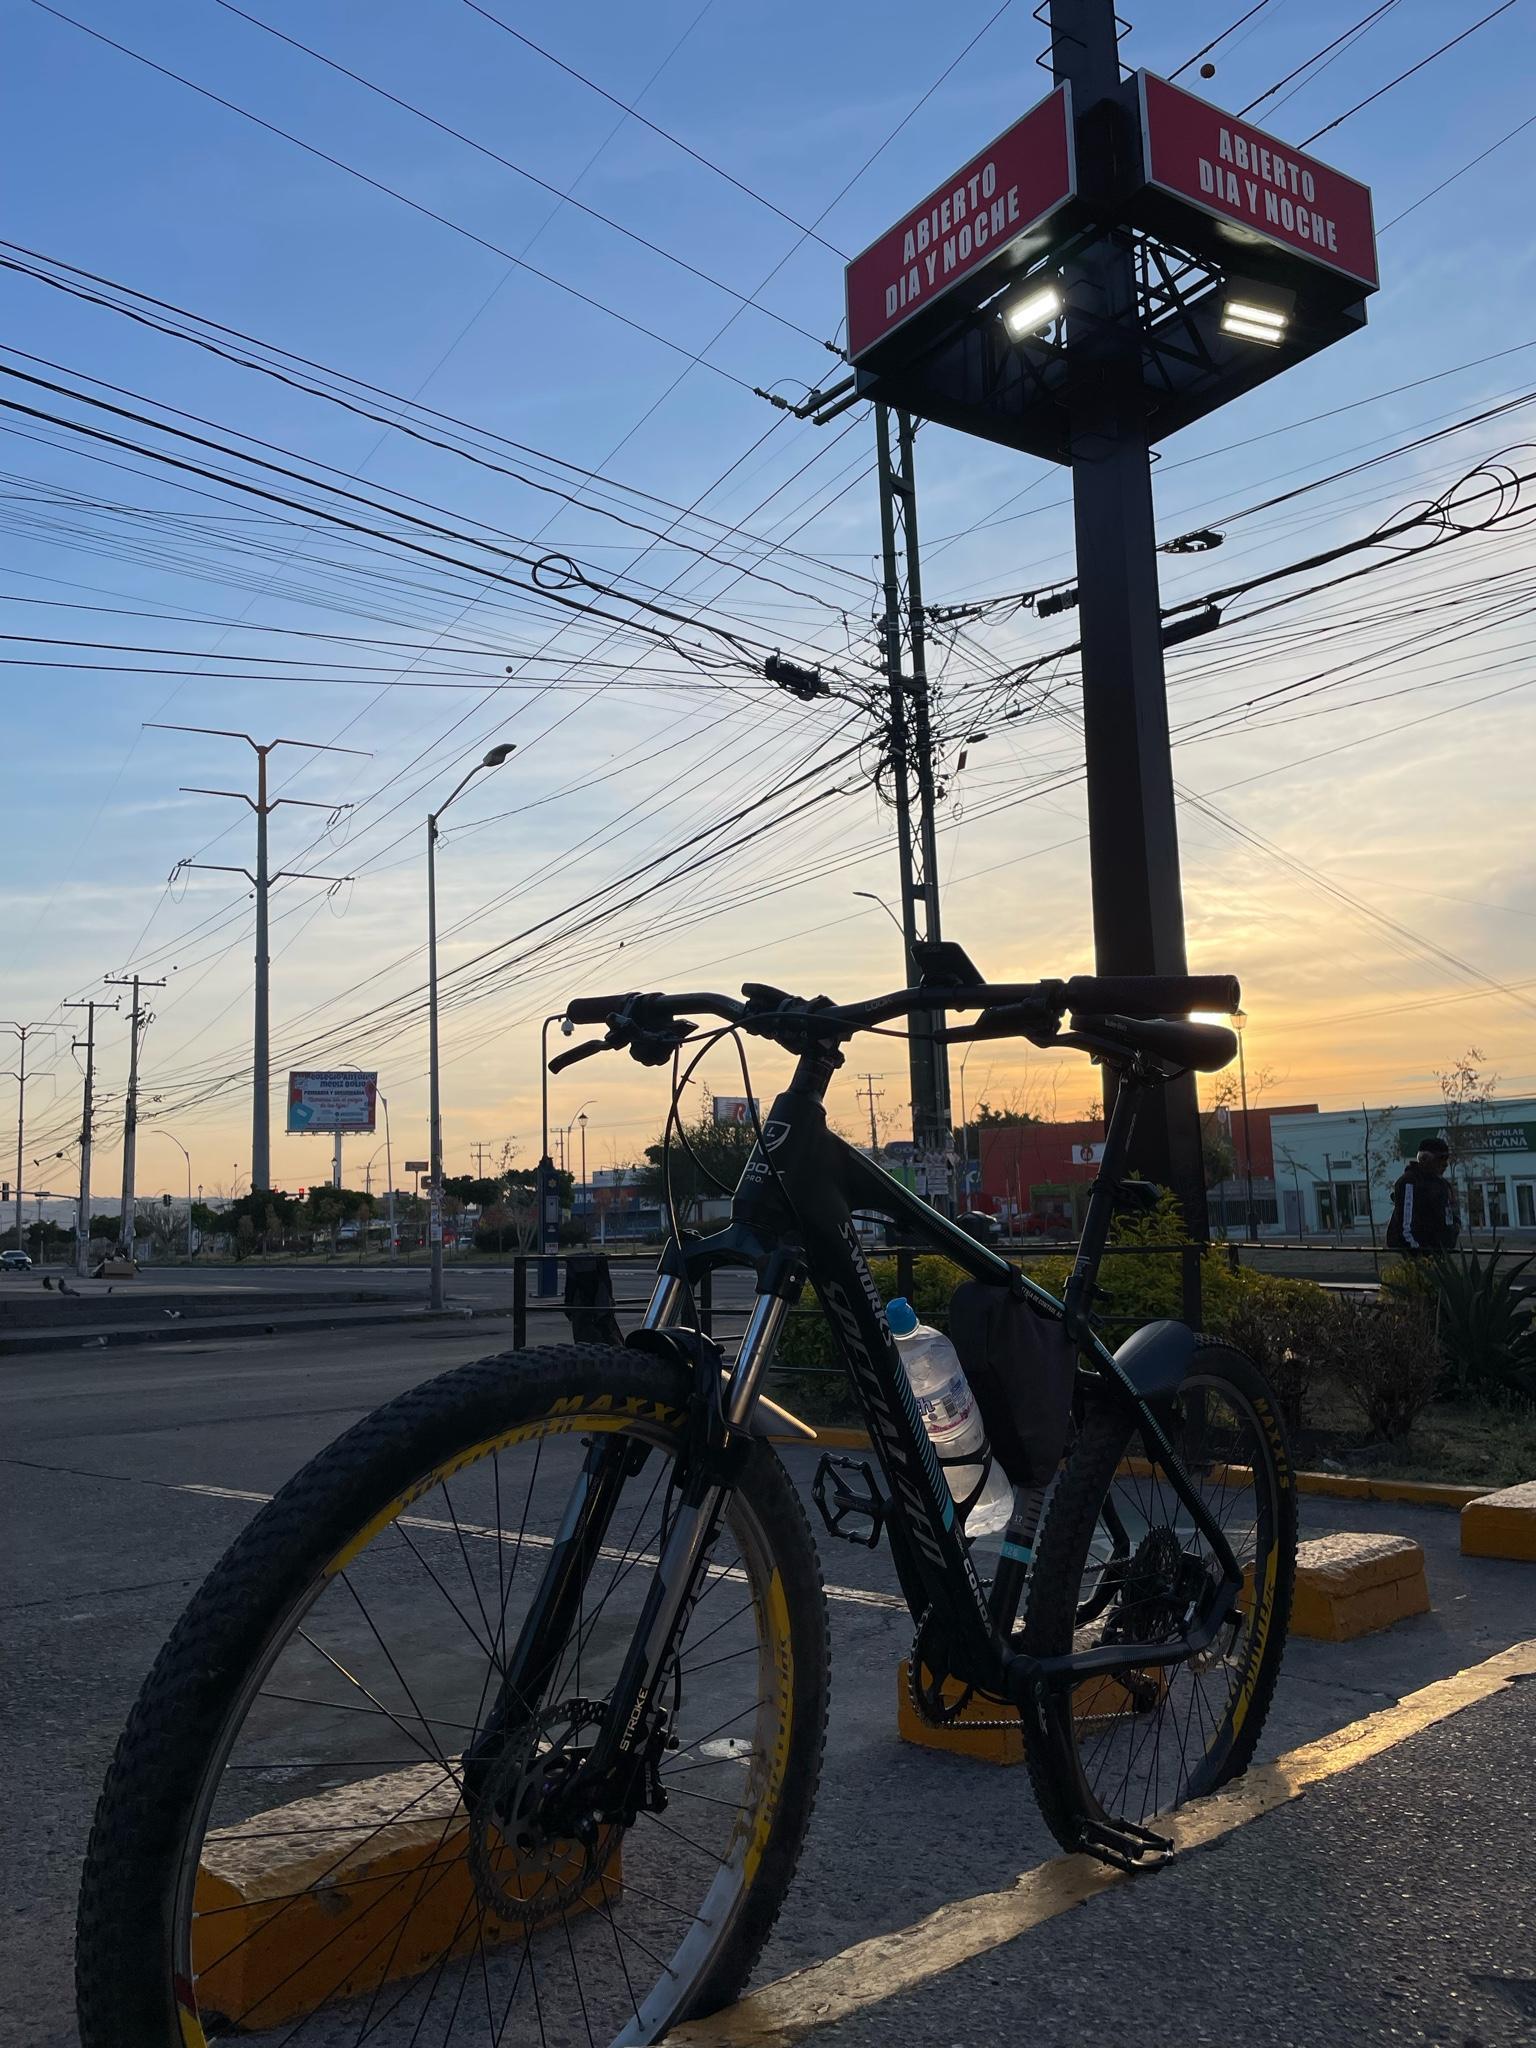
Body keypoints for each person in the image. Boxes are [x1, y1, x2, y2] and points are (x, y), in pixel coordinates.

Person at [1386, 1135, 1460, 1254]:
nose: (1445, 1164)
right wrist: (1419, 1254)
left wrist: (1454, 1229)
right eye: (1440, 1158)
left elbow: (1449, 1214)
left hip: (1440, 1253)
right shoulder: (1409, 1182)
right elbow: (1405, 1227)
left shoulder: (1442, 1184)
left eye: (1446, 1159)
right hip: (1417, 1255)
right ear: (1424, 1159)